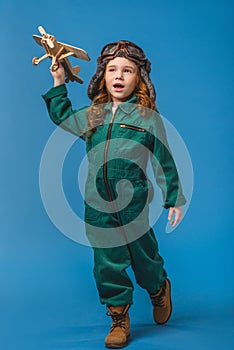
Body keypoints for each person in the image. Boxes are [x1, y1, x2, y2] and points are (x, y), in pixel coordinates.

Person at [42, 40, 186, 348]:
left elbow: (164, 159)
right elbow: (64, 116)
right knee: (107, 261)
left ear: (139, 79)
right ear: (103, 76)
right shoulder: (94, 115)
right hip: (97, 205)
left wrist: (173, 197)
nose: (119, 76)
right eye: (112, 70)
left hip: (134, 203)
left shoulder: (147, 119)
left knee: (143, 257)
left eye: (127, 70)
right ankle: (119, 317)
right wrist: (58, 82)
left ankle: (158, 287)